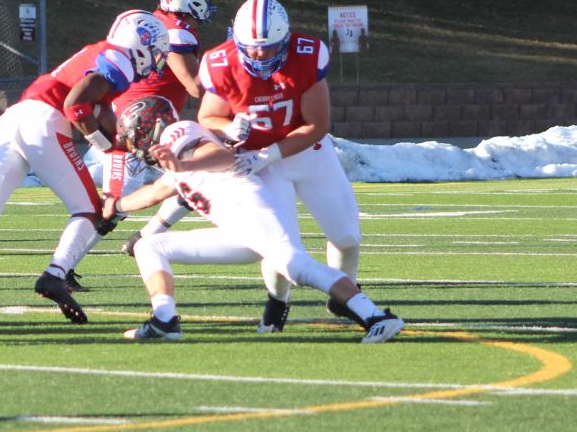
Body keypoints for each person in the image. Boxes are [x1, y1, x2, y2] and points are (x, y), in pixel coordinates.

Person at [0, 8, 169, 324]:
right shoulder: (120, 62)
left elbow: (95, 108)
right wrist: (103, 143)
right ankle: (55, 274)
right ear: (139, 43)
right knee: (89, 209)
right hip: (44, 120)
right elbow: (76, 104)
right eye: (155, 50)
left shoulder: (103, 53)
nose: (157, 58)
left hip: (17, 117)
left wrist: (116, 141)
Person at [128, 0, 362, 333]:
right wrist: (228, 127)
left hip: (304, 151)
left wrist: (270, 153)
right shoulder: (221, 62)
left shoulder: (306, 55)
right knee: (278, 242)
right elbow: (209, 115)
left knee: (346, 235)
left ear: (285, 39)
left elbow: (317, 125)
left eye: (268, 48)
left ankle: (343, 298)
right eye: (252, 47)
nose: (259, 54)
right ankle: (277, 300)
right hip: (254, 162)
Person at [105, 95, 402, 343]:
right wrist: (112, 205)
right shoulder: (175, 159)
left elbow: (222, 157)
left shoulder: (177, 133)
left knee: (295, 265)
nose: (135, 148)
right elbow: (155, 192)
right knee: (150, 247)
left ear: (150, 128)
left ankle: (375, 316)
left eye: (135, 139)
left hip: (249, 209)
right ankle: (164, 320)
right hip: (237, 230)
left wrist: (182, 163)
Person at [83, 0, 216, 290]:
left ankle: (145, 236)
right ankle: (61, 267)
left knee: (191, 178)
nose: (208, 3)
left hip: (144, 116)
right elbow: (196, 87)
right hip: (140, 119)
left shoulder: (163, 21)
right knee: (117, 201)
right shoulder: (179, 33)